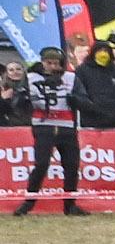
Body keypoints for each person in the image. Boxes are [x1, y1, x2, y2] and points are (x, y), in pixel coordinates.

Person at [15, 44, 82, 214]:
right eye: (49, 63)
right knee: (42, 164)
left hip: (66, 127)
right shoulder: (31, 77)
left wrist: (74, 99)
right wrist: (25, 98)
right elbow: (18, 103)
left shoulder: (70, 77)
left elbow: (84, 100)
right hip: (43, 126)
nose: (53, 67)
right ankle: (28, 203)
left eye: (56, 63)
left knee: (72, 166)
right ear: (43, 62)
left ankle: (70, 205)